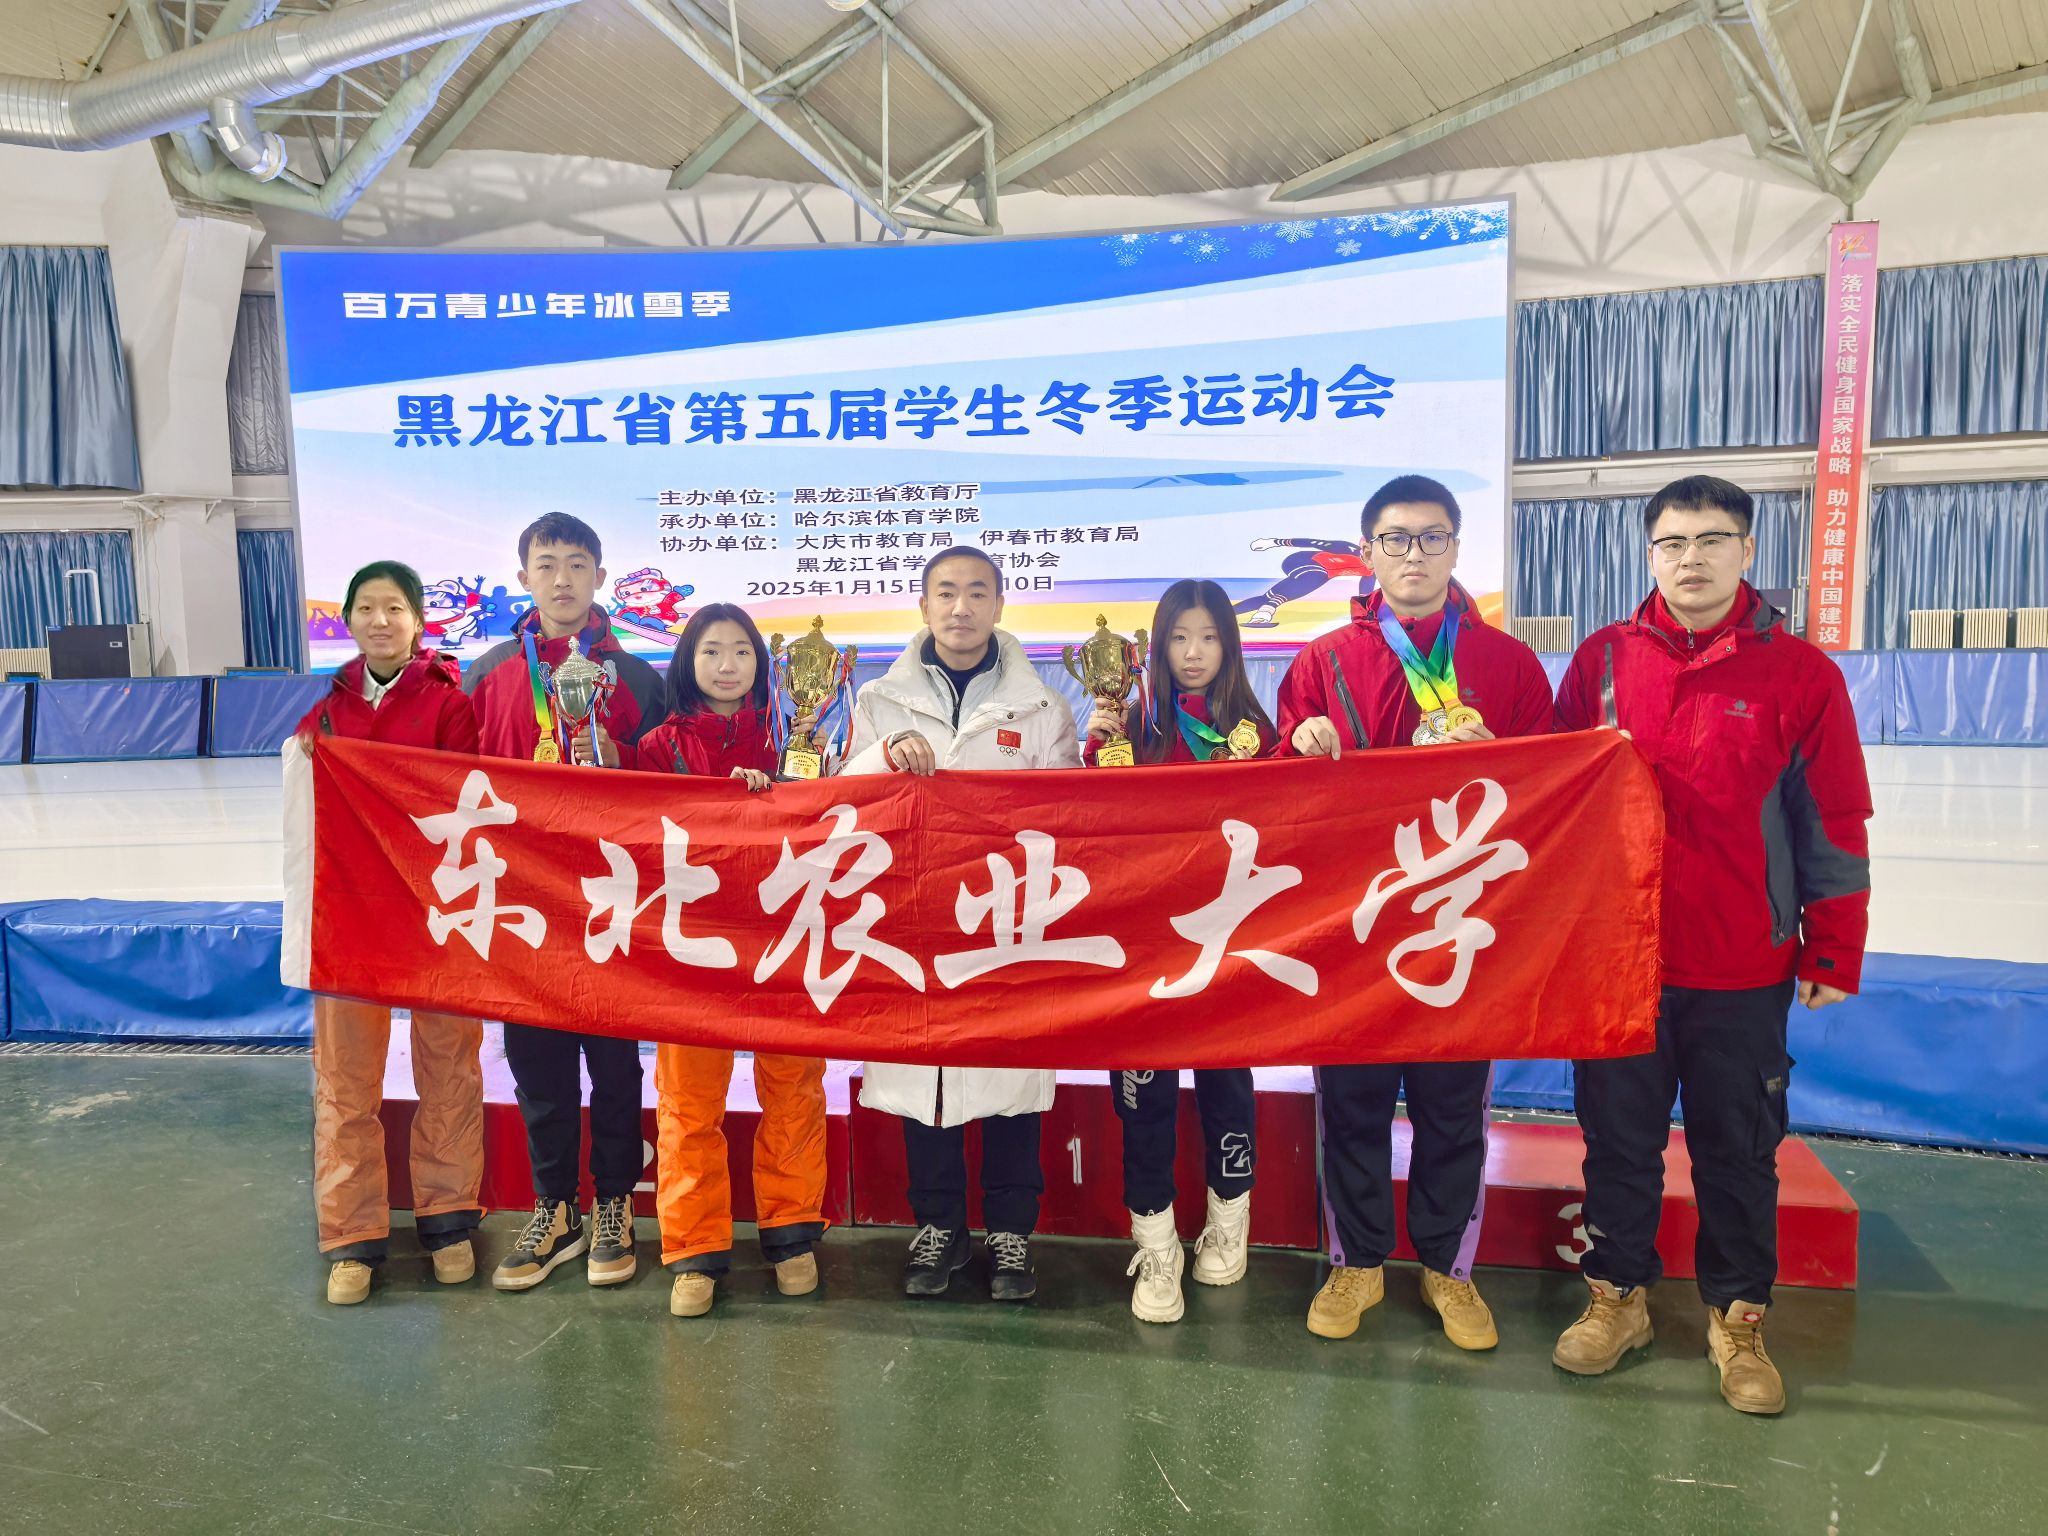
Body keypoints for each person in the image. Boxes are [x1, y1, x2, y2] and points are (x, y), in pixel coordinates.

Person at [1550, 475, 1871, 1415]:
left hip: (1741, 965)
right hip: (1620, 965)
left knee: (1738, 1152)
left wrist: (1833, 947)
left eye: (1711, 540)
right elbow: (1551, 796)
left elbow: (1835, 818)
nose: (1690, 559)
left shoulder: (1800, 675)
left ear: (1747, 550)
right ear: (1649, 554)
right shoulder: (1603, 661)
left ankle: (1738, 1317)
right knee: (1617, 1145)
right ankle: (1618, 1298)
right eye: (1672, 543)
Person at [1277, 474, 1553, 1352]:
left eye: (1433, 538)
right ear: (1368, 553)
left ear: (1457, 548)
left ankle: (1447, 1266)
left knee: (1451, 1107)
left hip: (1464, 921)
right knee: (1352, 1104)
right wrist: (1299, 743)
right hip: (1357, 925)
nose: (1414, 555)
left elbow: (1550, 791)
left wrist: (1501, 759)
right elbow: (1283, 795)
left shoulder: (1508, 664)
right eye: (1395, 539)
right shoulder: (1322, 661)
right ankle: (1357, 1261)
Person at [841, 546, 1081, 1301]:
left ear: (1000, 605)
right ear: (923, 606)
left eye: (978, 592)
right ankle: (939, 1226)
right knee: (929, 1077)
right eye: (945, 592)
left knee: (1010, 1079)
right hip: (915, 921)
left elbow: (1070, 812)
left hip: (1008, 920)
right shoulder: (878, 700)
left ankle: (1012, 1232)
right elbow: (842, 799)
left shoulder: (1043, 707)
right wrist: (884, 754)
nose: (961, 607)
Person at [464, 512, 664, 1292]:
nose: (562, 579)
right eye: (546, 564)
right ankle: (555, 1209)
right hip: (522, 902)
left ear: (600, 578)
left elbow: (670, 788)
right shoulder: (486, 676)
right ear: (524, 578)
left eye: (577, 564)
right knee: (536, 1063)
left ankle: (614, 1203)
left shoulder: (639, 678)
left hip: (612, 901)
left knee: (614, 1064)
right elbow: (444, 774)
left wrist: (622, 762)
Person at [1083, 580, 1276, 1323]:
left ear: (1231, 645)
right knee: (1145, 1101)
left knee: (1229, 1088)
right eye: (1179, 638)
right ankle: (1157, 1244)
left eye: (1210, 637)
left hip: (1228, 946)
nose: (1194, 653)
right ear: (1156, 648)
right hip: (1144, 953)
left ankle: (1229, 1219)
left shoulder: (1256, 730)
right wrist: (1095, 748)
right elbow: (1091, 830)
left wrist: (1310, 749)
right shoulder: (1130, 729)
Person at [294, 560, 485, 1306]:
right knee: (346, 1077)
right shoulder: (326, 711)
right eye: (367, 608)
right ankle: (353, 1235)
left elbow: (466, 799)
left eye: (395, 607)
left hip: (437, 912)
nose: (381, 621)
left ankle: (448, 1218)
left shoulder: (450, 705)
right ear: (347, 620)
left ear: (417, 621)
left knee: (449, 1065)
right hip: (352, 918)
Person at [635, 604, 831, 1319]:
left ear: (762, 663)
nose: (727, 665)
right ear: (687, 661)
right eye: (711, 651)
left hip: (784, 935)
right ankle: (694, 1248)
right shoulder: (656, 745)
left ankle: (792, 1233)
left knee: (794, 1087)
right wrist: (719, 802)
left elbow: (831, 829)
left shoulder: (798, 739)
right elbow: (641, 836)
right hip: (693, 945)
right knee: (689, 1098)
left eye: (742, 651)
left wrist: (782, 792)